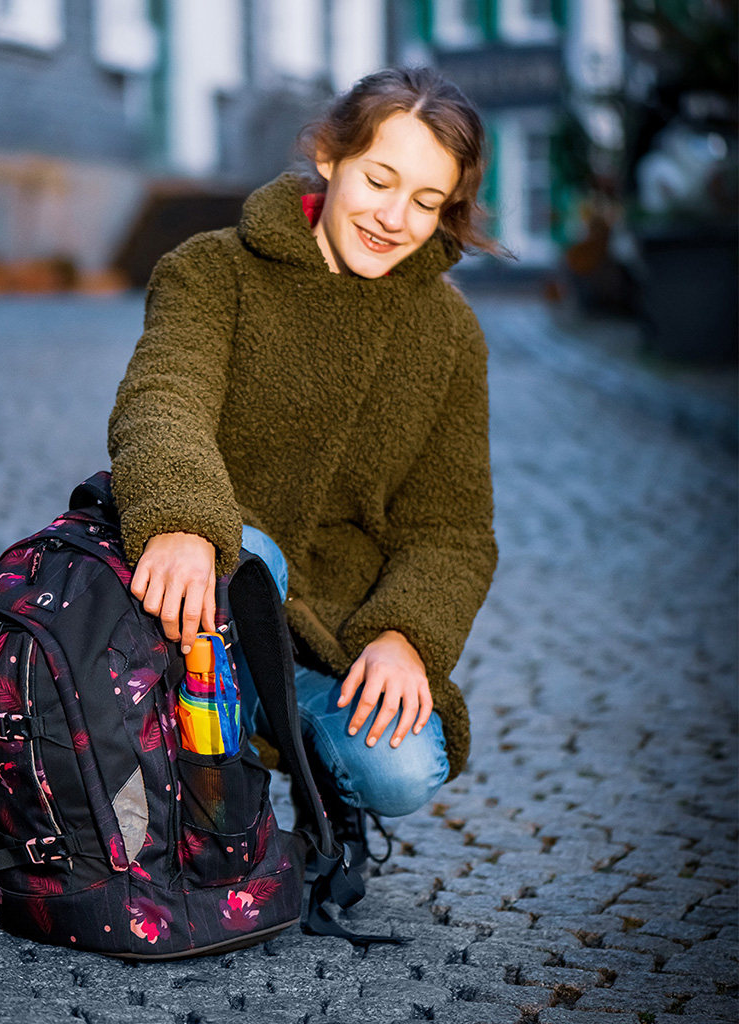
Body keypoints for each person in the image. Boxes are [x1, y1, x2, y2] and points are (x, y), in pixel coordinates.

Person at [108, 66, 501, 869]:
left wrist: (403, 637)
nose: (395, 219)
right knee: (257, 562)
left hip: (333, 632)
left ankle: (327, 800)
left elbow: (453, 527)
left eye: (426, 202)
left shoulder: (450, 334)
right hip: (206, 593)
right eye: (380, 180)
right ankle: (211, 796)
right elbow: (164, 399)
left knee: (401, 766)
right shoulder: (213, 270)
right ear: (329, 155)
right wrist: (183, 520)